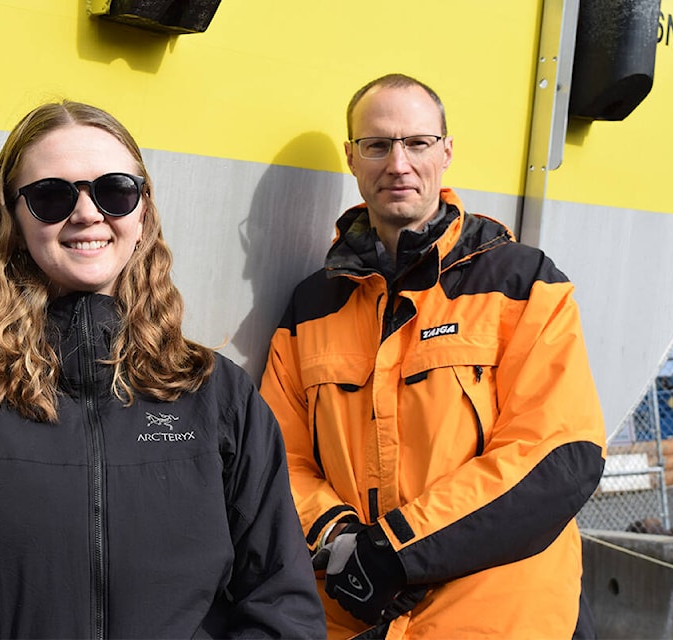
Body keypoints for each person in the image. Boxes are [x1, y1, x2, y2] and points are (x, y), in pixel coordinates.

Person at [0, 100, 326, 639]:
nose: (86, 214)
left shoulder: (217, 394)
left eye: (115, 190)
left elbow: (282, 604)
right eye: (52, 196)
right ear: (12, 217)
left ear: (143, 209)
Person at [259, 73, 607, 639]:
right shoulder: (311, 307)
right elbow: (278, 456)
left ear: (446, 151)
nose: (398, 164)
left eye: (417, 143)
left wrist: (397, 550)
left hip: (501, 621)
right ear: (352, 157)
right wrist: (336, 536)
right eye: (377, 145)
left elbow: (558, 453)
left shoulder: (521, 282)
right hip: (356, 617)